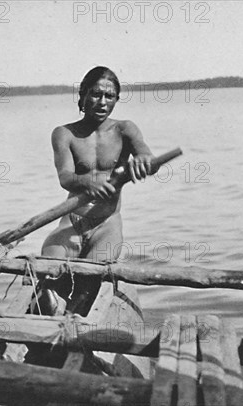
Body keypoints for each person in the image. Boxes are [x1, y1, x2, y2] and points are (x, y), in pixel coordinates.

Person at [40, 66, 155, 316]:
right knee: (48, 269)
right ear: (82, 95)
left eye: (109, 96)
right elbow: (65, 177)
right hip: (72, 221)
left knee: (88, 285)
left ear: (116, 99)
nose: (102, 102)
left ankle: (76, 317)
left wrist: (143, 161)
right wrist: (88, 182)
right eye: (95, 94)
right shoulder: (64, 134)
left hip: (107, 224)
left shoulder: (125, 130)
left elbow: (146, 154)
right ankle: (51, 310)